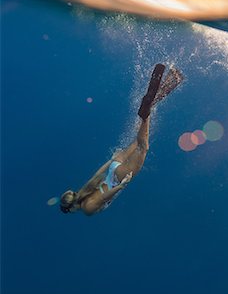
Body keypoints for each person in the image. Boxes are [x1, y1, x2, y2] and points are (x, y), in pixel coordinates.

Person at [60, 64, 183, 216]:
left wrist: (122, 185)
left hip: (117, 179)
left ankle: (146, 114)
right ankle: (171, 81)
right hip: (113, 168)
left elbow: (104, 197)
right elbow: (98, 174)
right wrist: (112, 160)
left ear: (71, 208)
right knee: (139, 140)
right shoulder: (84, 190)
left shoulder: (86, 208)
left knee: (143, 147)